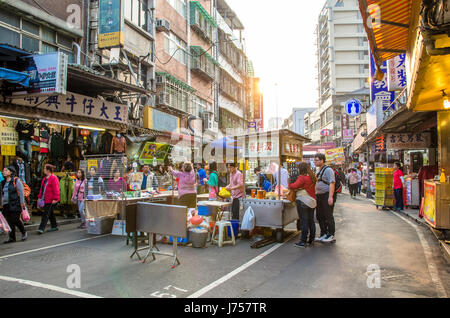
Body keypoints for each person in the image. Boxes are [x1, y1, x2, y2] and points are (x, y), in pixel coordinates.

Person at [289, 162, 317, 248]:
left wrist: (289, 183)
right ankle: (311, 239)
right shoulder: (312, 177)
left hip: (303, 201)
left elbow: (293, 186)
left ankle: (303, 241)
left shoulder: (302, 178)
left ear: (301, 169)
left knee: (304, 221)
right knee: (311, 221)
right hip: (312, 201)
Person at [314, 153, 336, 243]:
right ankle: (323, 233)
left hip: (326, 194)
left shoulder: (328, 170)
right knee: (320, 215)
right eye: (314, 160)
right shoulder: (318, 170)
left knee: (328, 215)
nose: (315, 162)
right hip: (319, 195)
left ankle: (331, 234)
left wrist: (330, 197)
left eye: (317, 160)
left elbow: (332, 183)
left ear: (322, 160)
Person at [1, 166, 27, 243]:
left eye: (6, 170)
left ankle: (23, 232)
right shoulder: (3, 182)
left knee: (15, 219)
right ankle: (12, 238)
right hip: (6, 205)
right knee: (9, 221)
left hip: (15, 203)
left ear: (11, 172)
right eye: (3, 170)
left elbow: (21, 192)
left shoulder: (16, 181)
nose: (4, 172)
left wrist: (22, 203)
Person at [37, 164, 60, 234]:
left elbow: (56, 189)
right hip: (45, 199)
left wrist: (56, 198)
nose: (43, 170)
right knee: (50, 213)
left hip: (51, 200)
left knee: (46, 214)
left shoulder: (54, 178)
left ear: (48, 170)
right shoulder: (45, 178)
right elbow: (42, 189)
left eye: (44, 169)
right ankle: (54, 226)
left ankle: (41, 228)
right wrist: (39, 197)